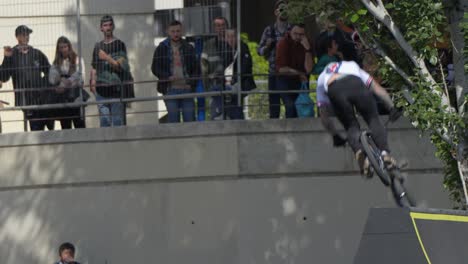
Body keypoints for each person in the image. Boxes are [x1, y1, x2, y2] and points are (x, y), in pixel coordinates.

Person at [316, 60, 399, 176]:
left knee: (351, 126)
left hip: (334, 88)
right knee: (373, 119)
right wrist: (391, 107)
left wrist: (334, 135)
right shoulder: (352, 65)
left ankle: (359, 152)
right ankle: (385, 154)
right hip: (355, 82)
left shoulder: (321, 77)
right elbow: (377, 89)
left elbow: (323, 114)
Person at [0, 25, 55, 131]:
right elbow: (3, 77)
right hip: (25, 98)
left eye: (28, 35)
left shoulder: (36, 53)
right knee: (35, 127)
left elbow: (49, 72)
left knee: (49, 127)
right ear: (17, 37)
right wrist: (6, 58)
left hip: (41, 97)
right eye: (24, 35)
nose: (27, 37)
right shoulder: (12, 54)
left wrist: (44, 86)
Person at [151, 20, 199, 123]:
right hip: (170, 89)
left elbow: (196, 68)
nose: (176, 34)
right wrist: (167, 77)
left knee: (190, 121)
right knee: (173, 122)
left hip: (187, 89)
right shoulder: (161, 48)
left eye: (178, 31)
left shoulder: (188, 47)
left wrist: (191, 83)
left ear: (181, 32)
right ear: (168, 32)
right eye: (173, 31)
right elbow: (155, 68)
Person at [90, 15, 133, 127]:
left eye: (110, 25)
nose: (108, 27)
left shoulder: (120, 44)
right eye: (105, 25)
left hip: (116, 91)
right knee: (104, 123)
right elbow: (94, 67)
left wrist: (107, 58)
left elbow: (120, 67)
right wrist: (92, 84)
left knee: (118, 123)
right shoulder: (97, 46)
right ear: (101, 28)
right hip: (100, 92)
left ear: (113, 27)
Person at [257, 0, 290, 119]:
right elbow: (259, 51)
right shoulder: (269, 30)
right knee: (274, 106)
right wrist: (267, 46)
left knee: (290, 106)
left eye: (286, 9)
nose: (284, 12)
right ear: (276, 12)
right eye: (281, 9)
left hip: (289, 73)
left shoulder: (292, 29)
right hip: (273, 73)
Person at [275, 23, 314, 118]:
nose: (298, 37)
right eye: (295, 34)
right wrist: (298, 73)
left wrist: (307, 50)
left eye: (301, 35)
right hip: (285, 79)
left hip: (301, 81)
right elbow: (281, 68)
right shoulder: (283, 43)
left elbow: (308, 69)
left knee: (302, 107)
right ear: (290, 32)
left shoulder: (307, 43)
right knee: (290, 106)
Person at [49, 36, 87, 129]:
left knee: (80, 126)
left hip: (76, 97)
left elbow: (81, 77)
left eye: (65, 47)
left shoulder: (77, 59)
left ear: (69, 47)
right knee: (65, 126)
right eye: (61, 47)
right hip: (62, 99)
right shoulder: (56, 63)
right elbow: (51, 78)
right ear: (58, 49)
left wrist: (68, 82)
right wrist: (60, 79)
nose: (63, 50)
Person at [201, 16, 232, 120]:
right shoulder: (208, 45)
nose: (221, 28)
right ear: (214, 28)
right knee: (216, 118)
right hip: (214, 86)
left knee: (233, 118)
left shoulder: (232, 42)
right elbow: (203, 67)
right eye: (218, 26)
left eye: (223, 25)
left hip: (232, 86)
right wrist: (207, 88)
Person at [223, 28, 256, 119]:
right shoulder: (225, 49)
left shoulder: (243, 47)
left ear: (237, 37)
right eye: (228, 36)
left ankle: (239, 124)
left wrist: (234, 79)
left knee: (236, 106)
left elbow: (246, 65)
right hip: (227, 82)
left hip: (240, 82)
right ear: (225, 38)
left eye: (233, 36)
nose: (230, 39)